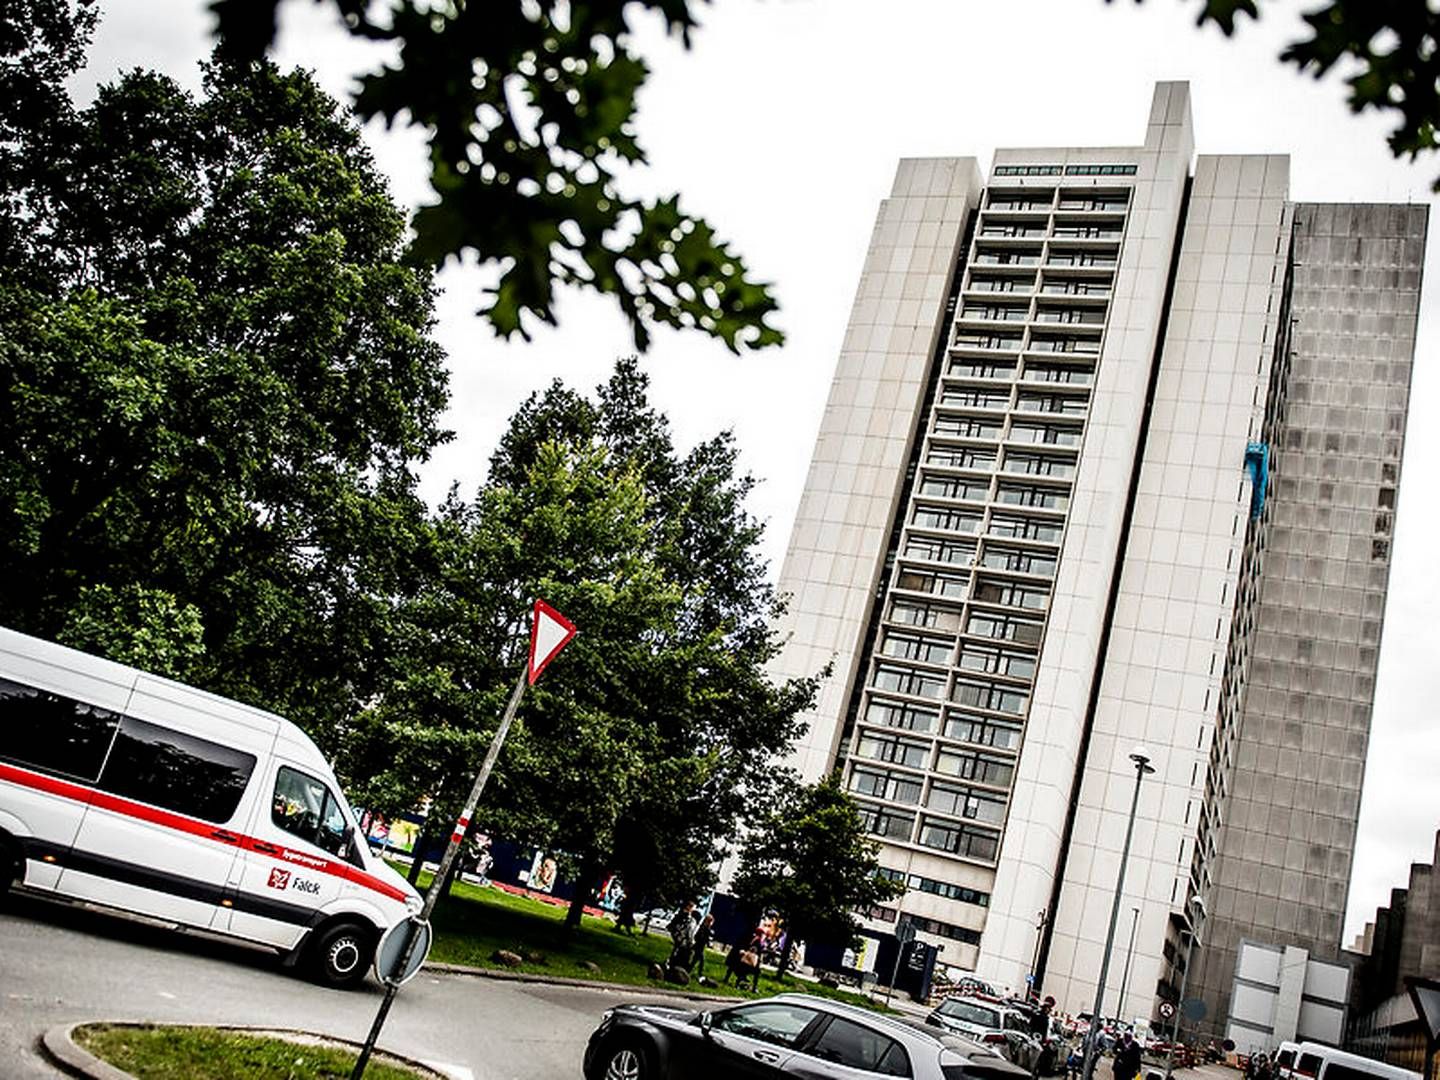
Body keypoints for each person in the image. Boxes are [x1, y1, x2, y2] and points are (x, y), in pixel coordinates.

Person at [666, 900, 696, 971]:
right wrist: (679, 935)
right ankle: (673, 964)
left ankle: (675, 964)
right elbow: (678, 926)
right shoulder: (683, 915)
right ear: (688, 907)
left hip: (683, 937)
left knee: (680, 951)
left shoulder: (685, 915)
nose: (692, 909)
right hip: (682, 937)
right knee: (678, 950)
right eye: (692, 907)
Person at [690, 914, 715, 982]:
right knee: (701, 960)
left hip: (700, 946)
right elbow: (701, 937)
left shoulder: (704, 928)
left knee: (696, 960)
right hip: (699, 946)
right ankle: (699, 973)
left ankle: (690, 970)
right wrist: (707, 942)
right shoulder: (705, 928)